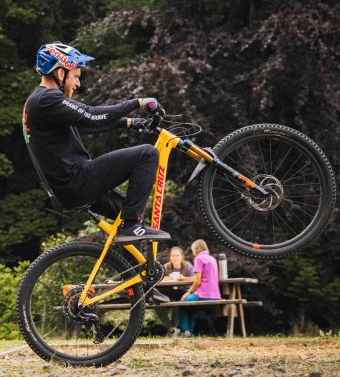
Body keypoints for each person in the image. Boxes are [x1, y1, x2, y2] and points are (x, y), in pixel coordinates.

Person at [23, 42, 170, 243]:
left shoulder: (39, 101)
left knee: (129, 212)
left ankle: (131, 250)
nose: (78, 84)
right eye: (76, 76)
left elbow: (84, 125)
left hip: (69, 188)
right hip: (77, 181)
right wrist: (137, 103)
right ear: (60, 73)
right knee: (147, 154)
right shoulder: (47, 99)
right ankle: (131, 226)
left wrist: (129, 122)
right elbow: (91, 116)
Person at [178, 239, 221, 337]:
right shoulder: (212, 259)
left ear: (196, 249)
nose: (192, 252)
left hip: (204, 293)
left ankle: (185, 330)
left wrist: (188, 292)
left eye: (193, 250)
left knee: (182, 303)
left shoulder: (199, 259)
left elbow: (197, 281)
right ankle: (189, 332)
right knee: (191, 308)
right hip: (215, 294)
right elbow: (202, 277)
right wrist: (186, 278)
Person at [158, 246, 195, 336]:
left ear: (182, 257)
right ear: (170, 257)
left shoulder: (188, 266)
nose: (175, 258)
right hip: (170, 292)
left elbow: (195, 278)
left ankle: (175, 329)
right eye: (173, 256)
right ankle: (171, 328)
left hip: (184, 292)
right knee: (156, 303)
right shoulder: (166, 267)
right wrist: (167, 278)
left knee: (177, 303)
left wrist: (183, 278)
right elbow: (159, 278)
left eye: (177, 256)